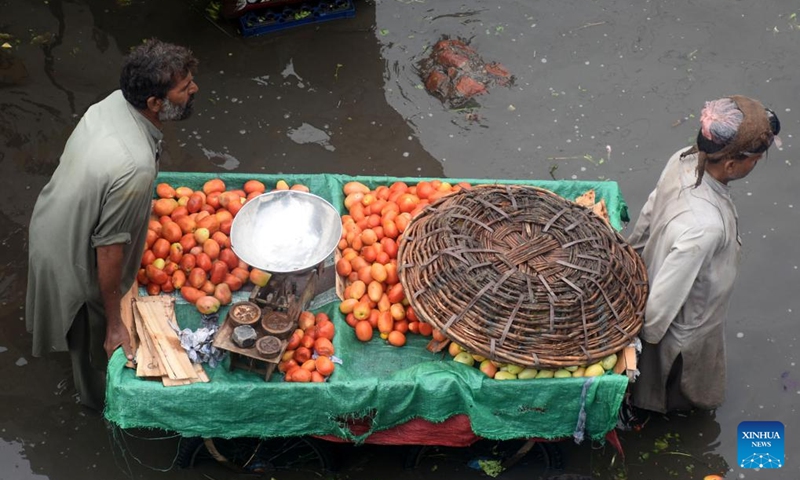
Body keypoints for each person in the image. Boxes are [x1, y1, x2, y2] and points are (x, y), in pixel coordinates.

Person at [25, 39, 199, 410]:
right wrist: (115, 321)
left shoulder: (113, 103)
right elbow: (108, 250)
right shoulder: (133, 165)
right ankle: (97, 401)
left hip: (52, 219)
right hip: (73, 256)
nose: (194, 89)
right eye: (184, 88)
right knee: (95, 337)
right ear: (155, 103)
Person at [627, 95, 780, 414]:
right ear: (729, 164)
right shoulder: (705, 227)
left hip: (666, 281)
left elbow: (649, 214)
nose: (756, 163)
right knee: (680, 398)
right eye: (754, 158)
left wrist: (633, 258)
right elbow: (659, 311)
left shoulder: (682, 159)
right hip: (687, 334)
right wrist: (644, 345)